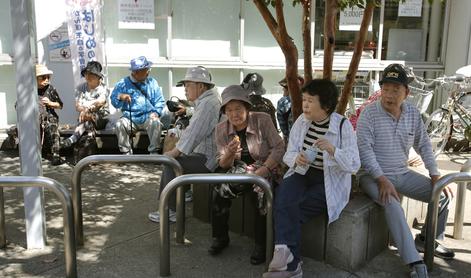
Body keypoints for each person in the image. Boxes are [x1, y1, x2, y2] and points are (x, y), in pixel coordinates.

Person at [356, 64, 455, 278]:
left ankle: (428, 240)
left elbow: (424, 145)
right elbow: (365, 151)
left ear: (406, 93)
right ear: (380, 89)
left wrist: (435, 174)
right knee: (391, 202)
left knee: (441, 195)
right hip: (372, 176)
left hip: (401, 173)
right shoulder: (368, 115)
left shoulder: (412, 113)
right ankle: (414, 262)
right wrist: (381, 179)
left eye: (396, 89)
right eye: (386, 89)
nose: (389, 95)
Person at [264, 79, 360, 278]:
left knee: (290, 210)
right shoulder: (301, 121)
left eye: (309, 101)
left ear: (325, 105)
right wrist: (295, 158)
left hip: (329, 179)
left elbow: (354, 165)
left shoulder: (343, 126)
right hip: (302, 172)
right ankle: (287, 257)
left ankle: (289, 263)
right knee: (283, 196)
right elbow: (288, 153)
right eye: (304, 100)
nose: (304, 105)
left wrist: (333, 150)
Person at [209, 85, 285, 265]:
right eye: (229, 110)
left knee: (260, 195)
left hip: (264, 167)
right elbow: (222, 163)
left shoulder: (263, 120)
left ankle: (261, 243)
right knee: (218, 189)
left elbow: (279, 147)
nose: (234, 114)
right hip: (237, 170)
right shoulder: (221, 129)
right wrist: (229, 153)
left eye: (238, 109)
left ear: (247, 108)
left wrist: (262, 171)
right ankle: (220, 237)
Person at [148, 66, 221, 223]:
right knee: (177, 155)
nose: (185, 90)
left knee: (170, 163)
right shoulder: (207, 101)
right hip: (207, 155)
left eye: (188, 85)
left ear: (200, 86)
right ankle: (184, 192)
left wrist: (174, 152)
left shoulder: (208, 104)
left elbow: (194, 133)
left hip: (209, 159)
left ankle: (169, 210)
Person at [110, 56, 165, 155]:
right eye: (145, 70)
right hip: (130, 118)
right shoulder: (123, 83)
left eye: (148, 69)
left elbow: (159, 101)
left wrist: (156, 112)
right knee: (120, 124)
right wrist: (120, 96)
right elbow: (114, 101)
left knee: (156, 122)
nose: (148, 71)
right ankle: (126, 152)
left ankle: (153, 152)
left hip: (148, 117)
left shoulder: (152, 82)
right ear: (135, 72)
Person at [61, 61, 109, 149]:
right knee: (87, 121)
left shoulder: (104, 88)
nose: (88, 77)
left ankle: (72, 139)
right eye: (87, 74)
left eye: (92, 74)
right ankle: (88, 147)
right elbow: (78, 106)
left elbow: (100, 103)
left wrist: (87, 110)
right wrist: (84, 111)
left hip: (101, 117)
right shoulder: (80, 88)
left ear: (98, 77)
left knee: (89, 117)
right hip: (85, 118)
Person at [36, 64, 64, 166]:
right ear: (35, 78)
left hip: (49, 116)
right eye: (43, 77)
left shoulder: (50, 89)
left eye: (48, 77)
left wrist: (50, 103)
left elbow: (60, 105)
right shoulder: (29, 89)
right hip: (34, 117)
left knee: (52, 125)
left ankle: (56, 155)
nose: (46, 80)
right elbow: (18, 105)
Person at [276, 75, 304, 144]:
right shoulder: (308, 100)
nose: (283, 90)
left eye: (285, 88)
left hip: (292, 140)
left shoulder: (283, 102)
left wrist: (287, 135)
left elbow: (282, 124)